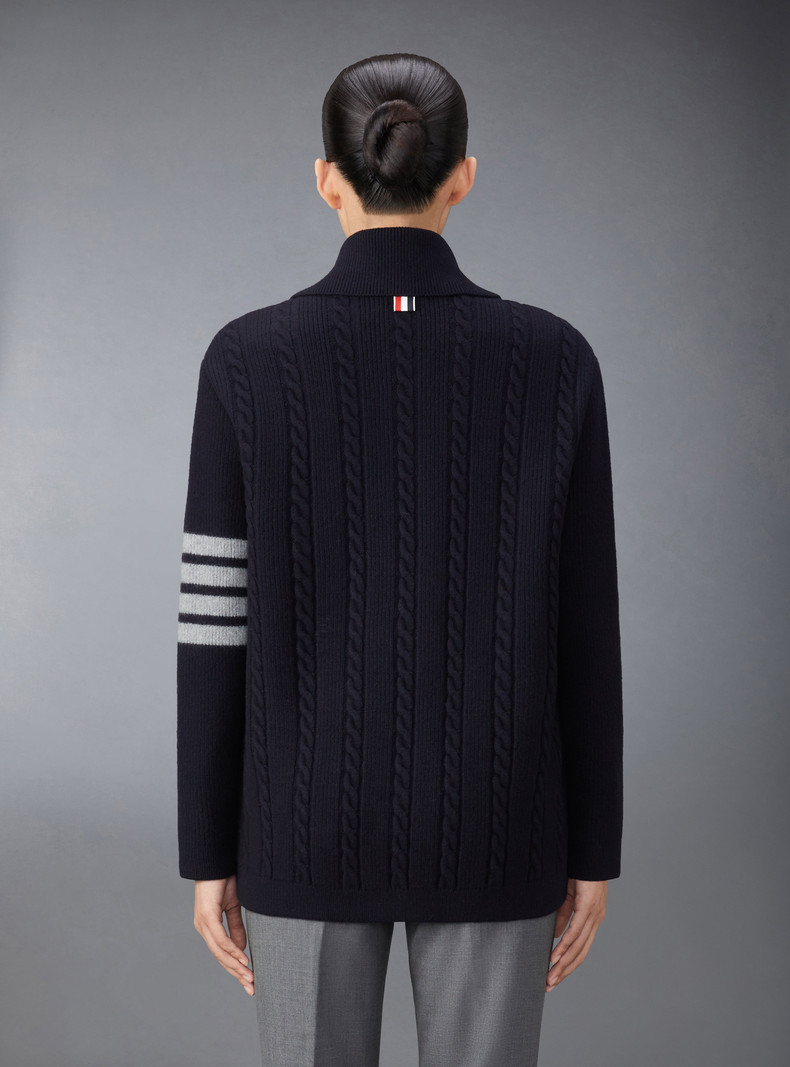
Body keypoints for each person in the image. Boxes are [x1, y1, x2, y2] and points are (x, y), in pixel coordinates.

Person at [176, 52, 624, 1067]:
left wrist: (207, 849)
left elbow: (213, 622)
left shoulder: (245, 360)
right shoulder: (556, 360)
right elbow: (585, 624)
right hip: (502, 829)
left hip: (295, 832)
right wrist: (592, 848)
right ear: (463, 176)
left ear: (325, 177)